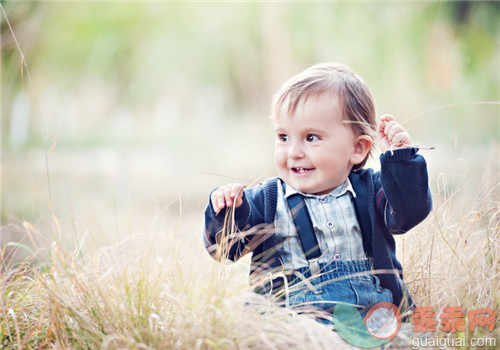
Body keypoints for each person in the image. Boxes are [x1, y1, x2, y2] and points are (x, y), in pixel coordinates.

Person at [203, 62, 432, 324]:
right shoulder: (266, 201)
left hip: (373, 314)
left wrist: (400, 161)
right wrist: (227, 211)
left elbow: (408, 213)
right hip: (291, 321)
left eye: (311, 138)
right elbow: (224, 250)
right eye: (283, 137)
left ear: (357, 148)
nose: (294, 152)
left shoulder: (371, 191)